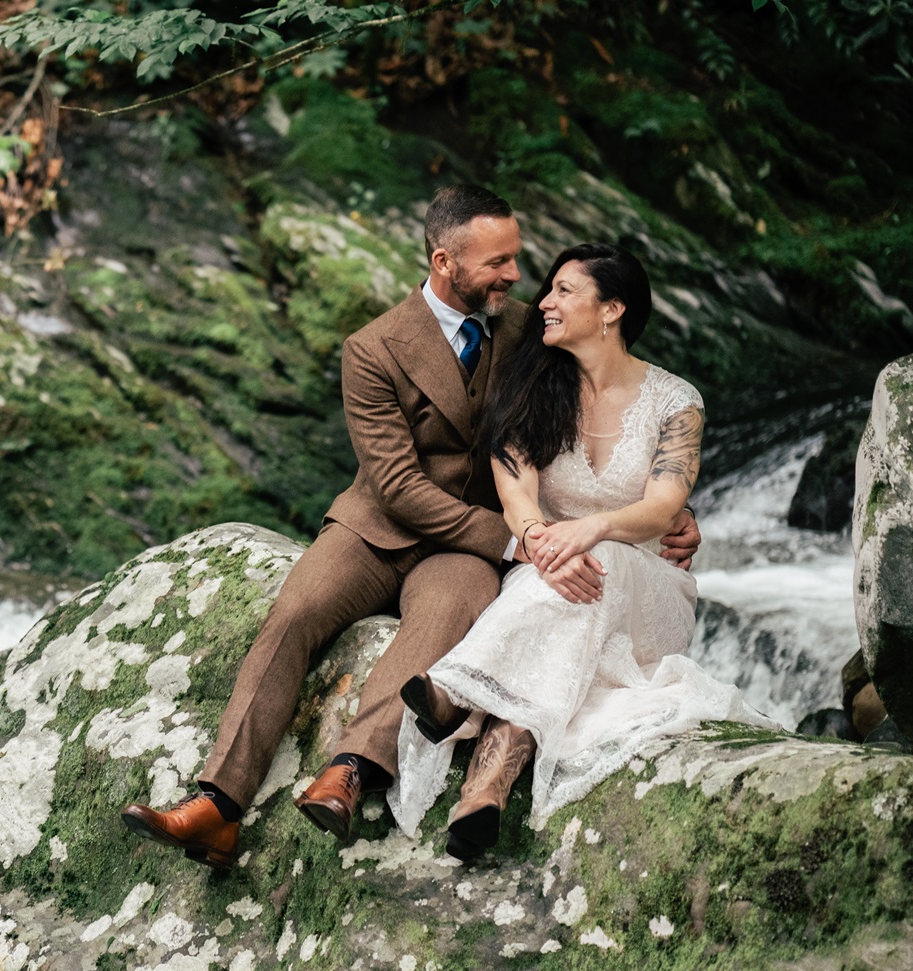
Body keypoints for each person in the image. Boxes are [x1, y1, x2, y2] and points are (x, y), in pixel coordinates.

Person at [120, 187, 701, 869]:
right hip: (380, 527)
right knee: (294, 613)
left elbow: (613, 417)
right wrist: (521, 543)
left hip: (462, 552)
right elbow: (396, 486)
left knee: (447, 615)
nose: (517, 277)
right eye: (498, 263)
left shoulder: (529, 331)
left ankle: (350, 772)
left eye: (517, 260)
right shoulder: (371, 348)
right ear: (444, 261)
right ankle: (217, 805)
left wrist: (675, 515)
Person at [394, 243, 769, 860]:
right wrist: (542, 541)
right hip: (550, 576)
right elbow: (515, 488)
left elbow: (661, 507)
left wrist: (588, 532)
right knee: (562, 635)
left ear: (612, 309)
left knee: (610, 561)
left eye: (564, 291)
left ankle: (459, 692)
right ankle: (483, 795)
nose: (543, 302)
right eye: (550, 289)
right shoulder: (535, 384)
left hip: (644, 584)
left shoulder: (677, 402)